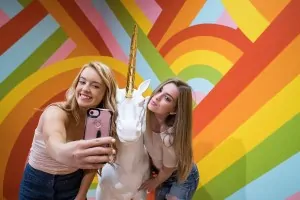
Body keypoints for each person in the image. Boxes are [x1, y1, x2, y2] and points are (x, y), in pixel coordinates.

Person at [19, 61, 118, 200]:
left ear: (105, 93)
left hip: (72, 184)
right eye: (82, 82)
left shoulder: (99, 121)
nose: (85, 89)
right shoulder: (55, 112)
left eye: (95, 86)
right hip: (36, 183)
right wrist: (64, 152)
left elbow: (91, 166)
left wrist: (81, 194)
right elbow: (53, 141)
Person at [140, 78, 199, 200]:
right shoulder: (143, 111)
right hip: (163, 172)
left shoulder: (168, 138)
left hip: (183, 176)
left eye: (167, 98)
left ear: (174, 110)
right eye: (159, 91)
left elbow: (168, 169)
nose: (156, 97)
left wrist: (155, 181)